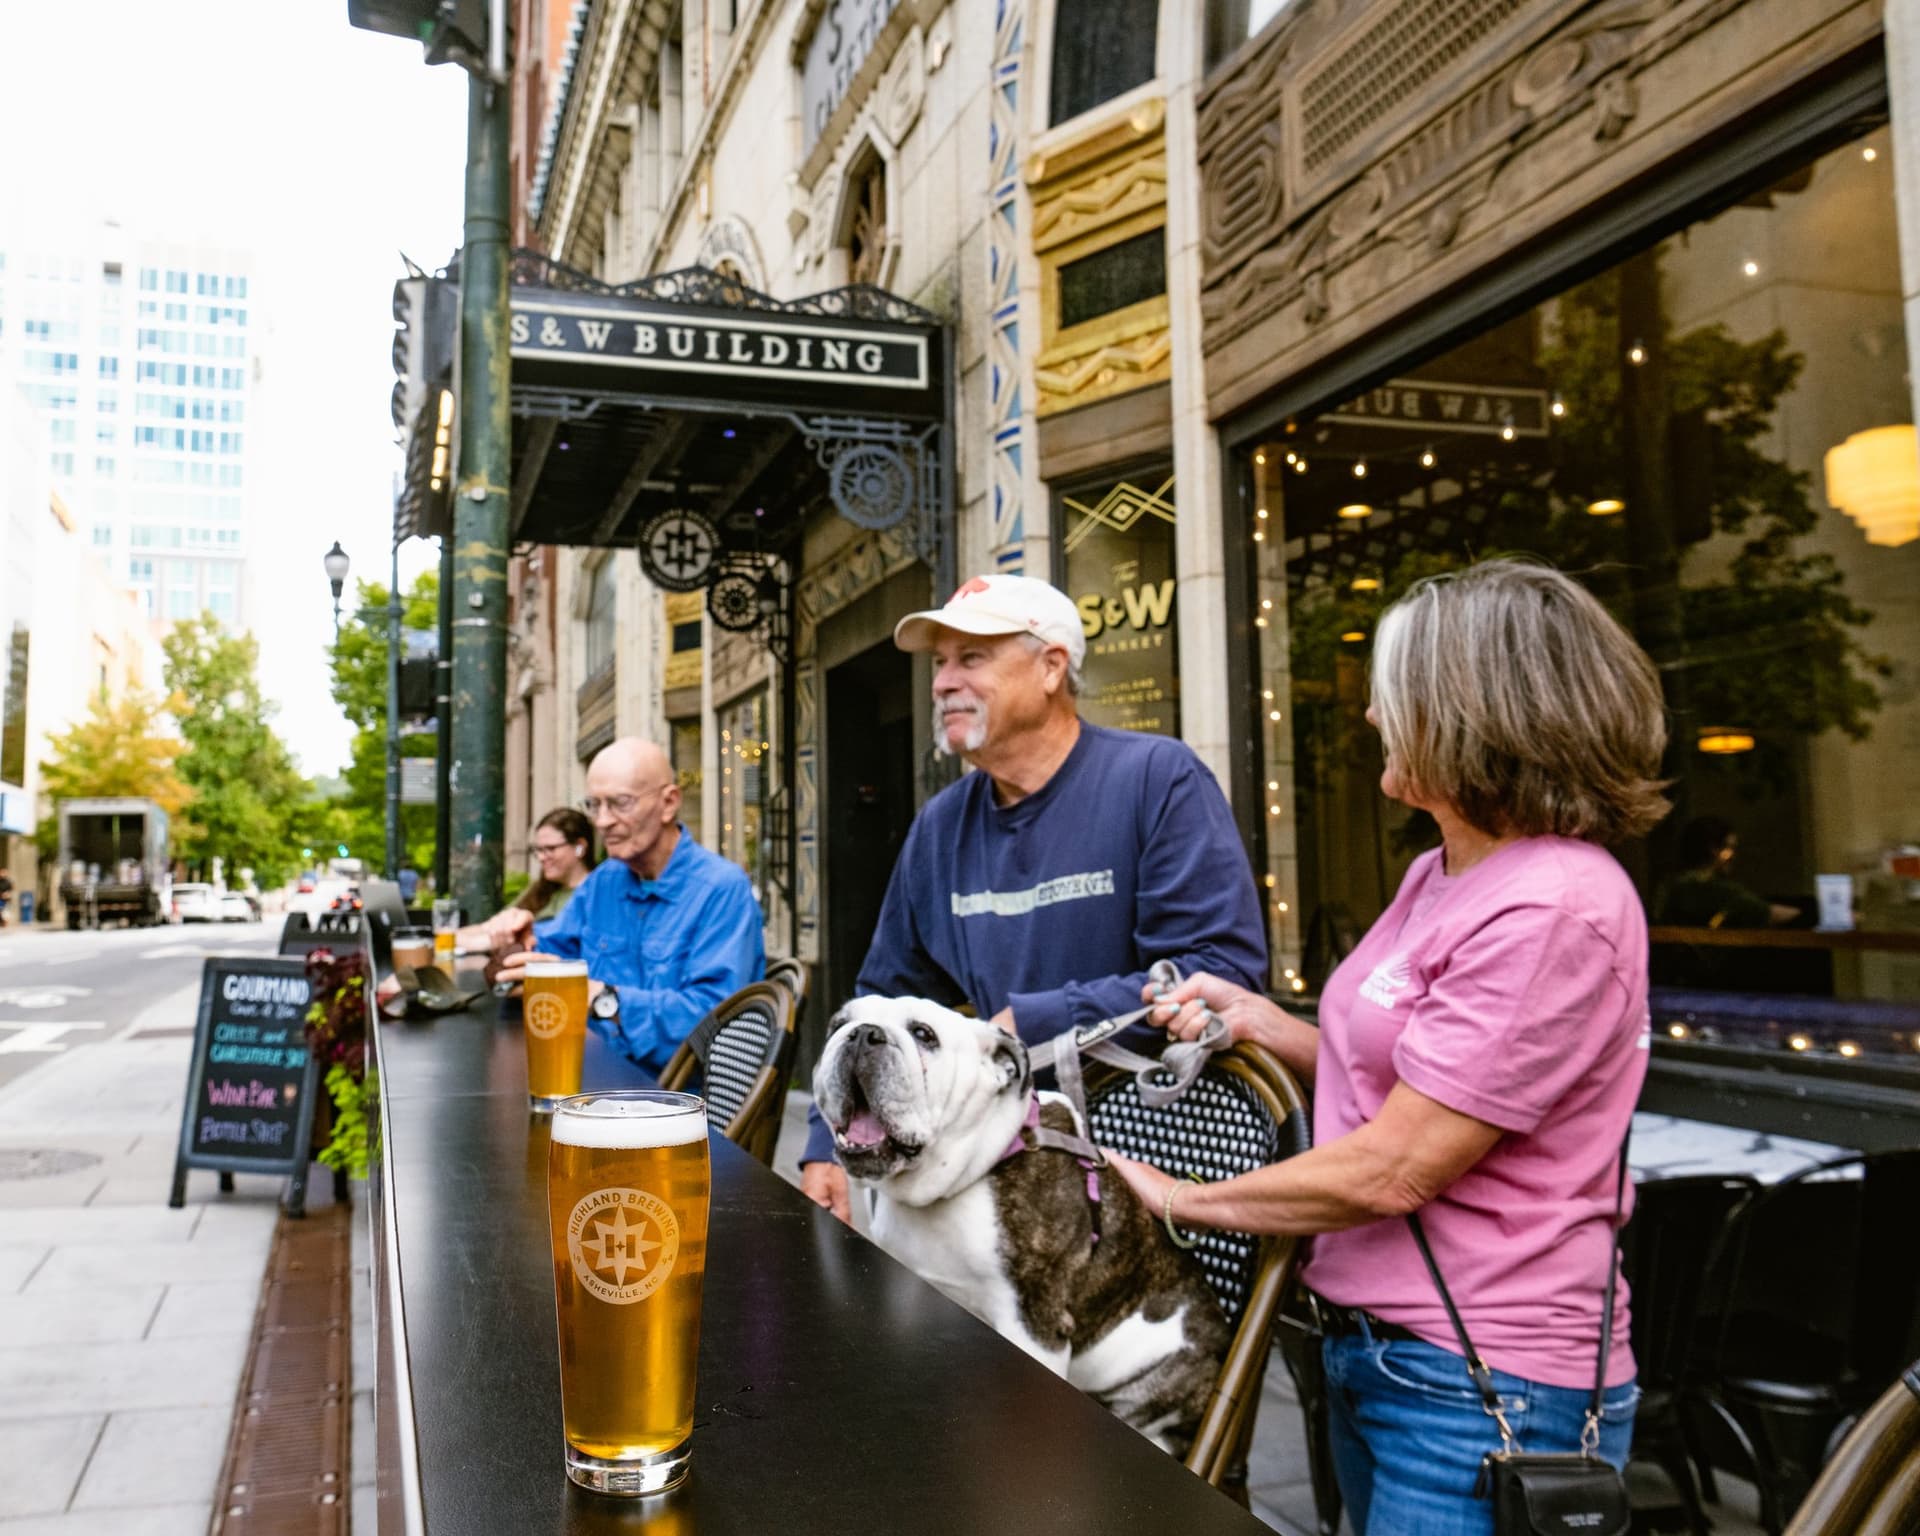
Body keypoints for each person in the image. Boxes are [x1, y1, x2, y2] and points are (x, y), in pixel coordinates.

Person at [1107, 560, 1667, 1536]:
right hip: (1383, 1353)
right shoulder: (1441, 875)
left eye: (1394, 691)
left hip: (1484, 1384)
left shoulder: (1557, 909)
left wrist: (1173, 1200)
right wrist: (1261, 1022)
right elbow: (1412, 1072)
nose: (1372, 715)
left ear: (1476, 711)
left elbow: (1398, 1165)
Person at [799, 573, 1268, 1221]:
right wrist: (829, 1139)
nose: (941, 683)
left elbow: (1219, 974)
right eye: (939, 664)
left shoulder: (1157, 779)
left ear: (1051, 668)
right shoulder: (940, 824)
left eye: (972, 657)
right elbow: (885, 993)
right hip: (982, 1173)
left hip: (1152, 1169)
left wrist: (1030, 1021)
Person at [495, 737, 764, 1074]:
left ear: (669, 803)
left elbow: (712, 1021)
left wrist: (601, 997)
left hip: (674, 1098)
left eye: (620, 803)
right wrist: (519, 943)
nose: (602, 821)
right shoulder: (604, 882)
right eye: (594, 805)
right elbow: (552, 950)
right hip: (593, 1074)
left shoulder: (722, 890)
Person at [458, 806, 598, 954]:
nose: (541, 857)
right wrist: (448, 937)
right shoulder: (541, 890)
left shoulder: (596, 893)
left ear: (580, 847)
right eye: (538, 850)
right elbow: (488, 928)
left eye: (550, 848)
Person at [1657, 815, 1798, 928]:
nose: (1733, 855)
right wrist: (1802, 913)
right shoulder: (1717, 891)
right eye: (1730, 848)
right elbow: (1771, 914)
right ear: (1713, 849)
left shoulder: (1669, 887)